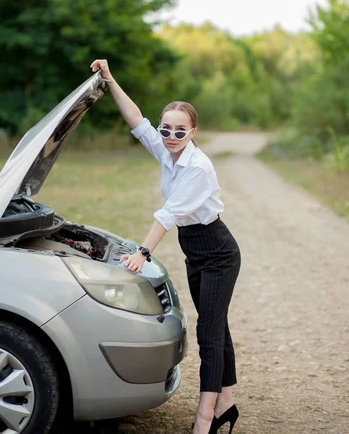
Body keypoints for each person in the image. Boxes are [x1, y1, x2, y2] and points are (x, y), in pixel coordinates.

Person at [90, 59, 241, 434]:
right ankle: (227, 401)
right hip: (195, 249)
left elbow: (167, 215)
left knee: (208, 331)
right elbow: (135, 119)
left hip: (219, 252)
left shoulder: (197, 168)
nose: (171, 137)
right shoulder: (166, 151)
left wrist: (142, 253)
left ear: (193, 132)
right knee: (216, 324)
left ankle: (205, 419)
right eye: (166, 130)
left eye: (180, 131)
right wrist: (109, 79)